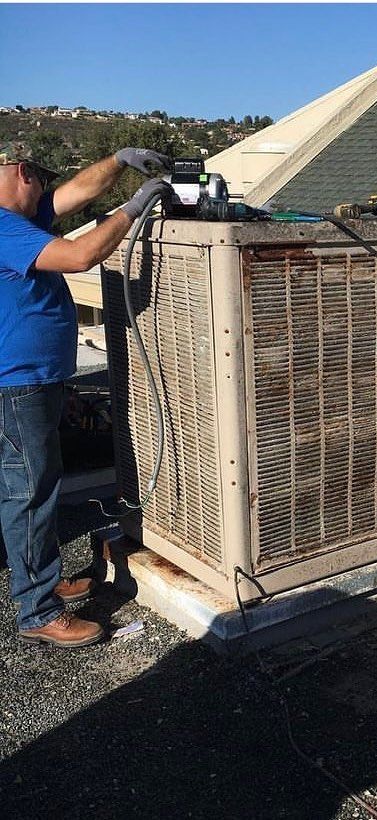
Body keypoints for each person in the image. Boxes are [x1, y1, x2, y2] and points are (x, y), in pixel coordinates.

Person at [0, 142, 173, 647]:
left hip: (36, 378)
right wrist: (134, 207)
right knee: (28, 494)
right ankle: (36, 611)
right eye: (39, 180)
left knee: (39, 485)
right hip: (17, 384)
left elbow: (74, 193)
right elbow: (81, 256)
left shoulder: (20, 218)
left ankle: (44, 581)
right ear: (20, 172)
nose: (46, 193)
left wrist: (120, 161)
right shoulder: (6, 228)